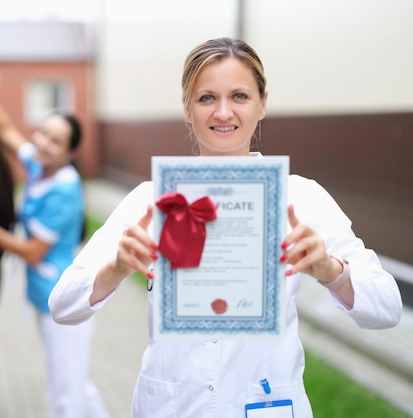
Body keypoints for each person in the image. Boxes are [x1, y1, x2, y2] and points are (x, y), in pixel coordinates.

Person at [48, 37, 403, 418]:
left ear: (263, 104)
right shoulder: (149, 201)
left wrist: (330, 270)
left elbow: (387, 308)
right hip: (172, 405)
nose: (222, 112)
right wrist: (116, 267)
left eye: (239, 96)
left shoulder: (301, 198)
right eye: (206, 98)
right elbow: (63, 305)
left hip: (265, 403)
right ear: (187, 108)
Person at [0, 90, 108, 418]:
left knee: (64, 395)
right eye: (41, 133)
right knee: (76, 385)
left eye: (54, 141)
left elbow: (33, 253)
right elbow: (6, 131)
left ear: (69, 154)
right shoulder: (41, 166)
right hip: (46, 299)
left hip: (67, 302)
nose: (41, 143)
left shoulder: (65, 190)